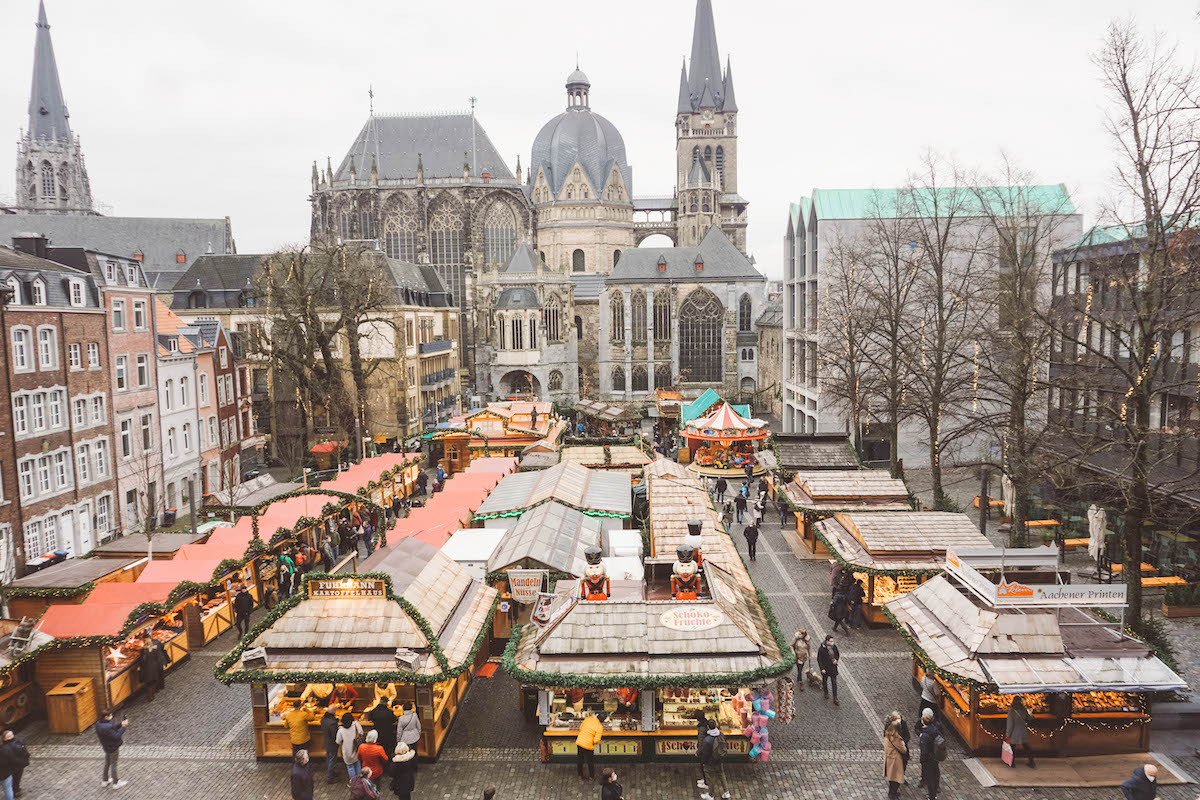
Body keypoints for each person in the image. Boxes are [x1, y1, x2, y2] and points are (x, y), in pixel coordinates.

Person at [697, 719, 729, 800]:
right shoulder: (721, 735)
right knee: (721, 774)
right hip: (719, 758)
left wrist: (703, 762)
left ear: (708, 727)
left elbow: (705, 754)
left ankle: (711, 795)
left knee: (710, 778)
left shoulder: (707, 740)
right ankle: (726, 792)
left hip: (710, 761)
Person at [96, 710, 128, 789]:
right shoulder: (108, 727)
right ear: (106, 717)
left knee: (107, 763)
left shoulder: (99, 724)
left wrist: (121, 724)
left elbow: (112, 726)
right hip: (113, 747)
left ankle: (105, 780)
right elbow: (116, 735)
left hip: (106, 746)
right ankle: (116, 783)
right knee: (114, 764)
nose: (111, 716)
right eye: (110, 715)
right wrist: (123, 727)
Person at [918, 708, 941, 800]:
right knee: (935, 775)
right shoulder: (935, 729)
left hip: (928, 759)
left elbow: (924, 751)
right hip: (935, 756)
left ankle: (931, 796)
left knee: (930, 778)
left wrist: (922, 760)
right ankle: (934, 793)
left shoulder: (925, 735)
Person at [883, 711, 907, 799]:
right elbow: (903, 749)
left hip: (889, 757)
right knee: (895, 778)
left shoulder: (887, 734)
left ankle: (892, 793)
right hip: (895, 759)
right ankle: (893, 793)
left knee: (891, 777)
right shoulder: (895, 737)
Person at [1005, 696, 1034, 768]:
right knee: (1026, 746)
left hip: (1015, 731)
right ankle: (1031, 761)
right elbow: (1029, 719)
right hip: (1023, 730)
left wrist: (1008, 734)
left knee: (1012, 747)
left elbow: (1010, 724)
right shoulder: (1024, 710)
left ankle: (1012, 762)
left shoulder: (1011, 711)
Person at [138, 634, 169, 701]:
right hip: (157, 665)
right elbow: (162, 647)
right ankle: (155, 691)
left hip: (148, 668)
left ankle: (150, 696)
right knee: (155, 680)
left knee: (149, 682)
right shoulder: (156, 643)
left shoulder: (144, 649)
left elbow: (143, 660)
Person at [367, 695, 398, 761]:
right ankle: (387, 764)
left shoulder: (374, 711)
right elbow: (394, 720)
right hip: (387, 735)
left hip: (377, 735)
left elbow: (369, 718)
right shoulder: (389, 712)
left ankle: (380, 763)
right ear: (386, 703)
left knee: (378, 751)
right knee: (387, 751)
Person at [336, 711, 365, 780]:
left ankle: (354, 782)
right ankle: (360, 780)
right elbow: (361, 733)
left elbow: (338, 741)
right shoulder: (356, 725)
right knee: (358, 765)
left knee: (350, 767)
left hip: (347, 751)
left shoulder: (341, 730)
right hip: (356, 749)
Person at [575, 711, 602, 782]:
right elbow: (596, 740)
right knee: (590, 761)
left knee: (580, 759)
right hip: (588, 746)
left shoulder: (588, 719)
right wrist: (591, 741)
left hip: (580, 742)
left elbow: (581, 728)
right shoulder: (599, 727)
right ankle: (591, 776)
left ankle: (580, 775)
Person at [2, 729, 28, 798]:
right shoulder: (6, 747)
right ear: (4, 738)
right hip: (14, 765)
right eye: (9, 736)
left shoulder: (17, 740)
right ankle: (15, 791)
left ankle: (16, 789)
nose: (11, 737)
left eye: (11, 735)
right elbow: (10, 757)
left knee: (17, 777)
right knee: (14, 779)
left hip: (19, 764)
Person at [321, 705, 341, 783]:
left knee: (329, 758)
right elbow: (334, 735)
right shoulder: (332, 723)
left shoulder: (323, 718)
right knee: (332, 760)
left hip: (326, 741)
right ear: (333, 711)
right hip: (332, 744)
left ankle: (332, 772)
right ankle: (330, 777)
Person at [818, 634, 840, 705]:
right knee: (825, 680)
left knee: (834, 682)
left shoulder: (834, 647)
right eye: (831, 641)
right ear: (827, 641)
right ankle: (826, 692)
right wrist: (822, 668)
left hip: (833, 667)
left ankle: (835, 697)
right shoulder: (822, 648)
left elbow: (837, 654)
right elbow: (819, 659)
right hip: (825, 667)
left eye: (832, 641)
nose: (832, 642)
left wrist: (836, 660)